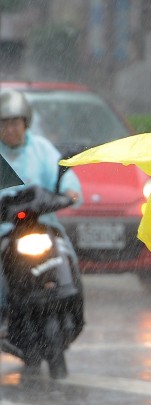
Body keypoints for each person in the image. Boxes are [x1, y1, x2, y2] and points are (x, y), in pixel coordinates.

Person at [0, 90, 82, 335]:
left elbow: (64, 174)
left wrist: (69, 191)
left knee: (67, 254)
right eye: (4, 124)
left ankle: (75, 303)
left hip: (42, 225)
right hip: (5, 230)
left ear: (25, 122)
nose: (10, 129)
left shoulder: (42, 149)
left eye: (15, 122)